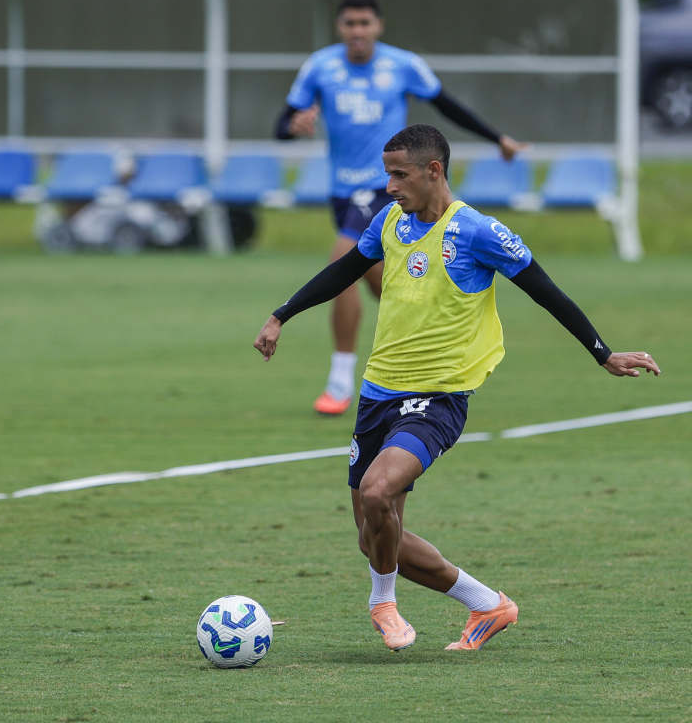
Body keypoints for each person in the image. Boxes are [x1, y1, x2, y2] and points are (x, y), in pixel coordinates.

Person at [253, 124, 660, 652]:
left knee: (378, 492)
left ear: (434, 171)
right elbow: (346, 270)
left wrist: (603, 352)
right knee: (375, 533)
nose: (390, 186)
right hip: (379, 393)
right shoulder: (390, 222)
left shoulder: (478, 232)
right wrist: (282, 315)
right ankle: (487, 604)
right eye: (387, 175)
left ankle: (382, 602)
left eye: (399, 175)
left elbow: (545, 291)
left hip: (438, 397)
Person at [275, 0, 528, 416]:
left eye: (365, 23)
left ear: (378, 27)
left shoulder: (402, 65)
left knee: (342, 260)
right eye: (349, 24)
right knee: (379, 281)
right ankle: (426, 333)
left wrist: (496, 138)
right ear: (340, 29)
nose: (357, 32)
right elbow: (281, 124)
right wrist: (293, 126)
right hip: (342, 192)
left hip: (390, 186)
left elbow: (447, 106)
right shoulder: (320, 66)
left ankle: (339, 381)